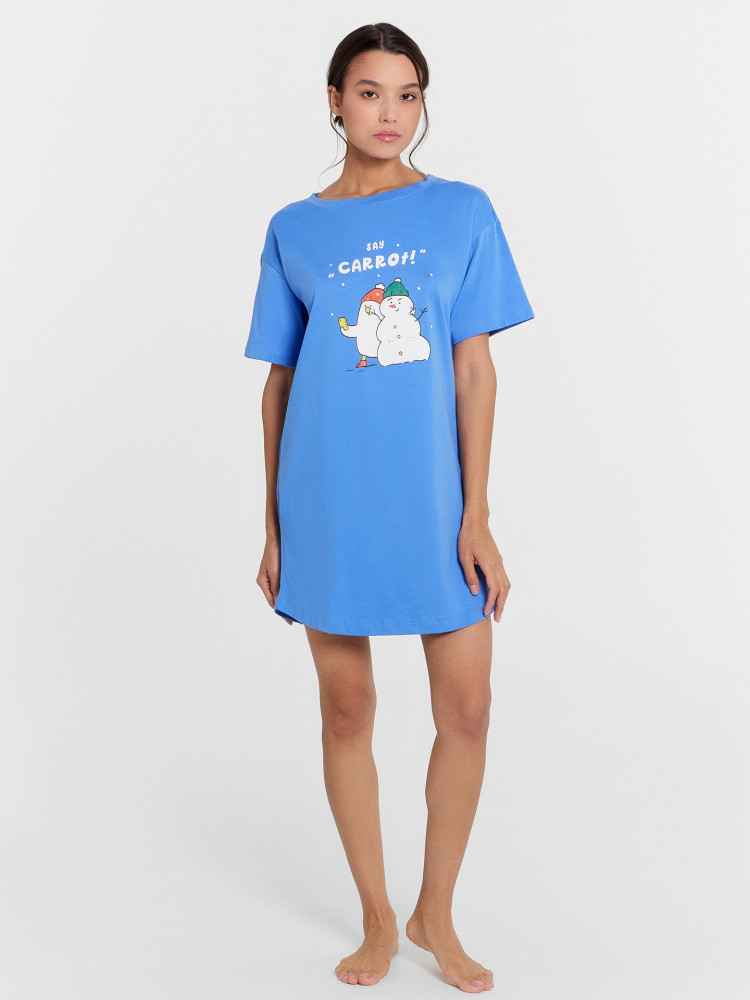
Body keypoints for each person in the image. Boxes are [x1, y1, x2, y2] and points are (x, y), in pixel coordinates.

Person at [244, 22, 534, 994]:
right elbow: (281, 384)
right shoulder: (294, 228)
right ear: (335, 101)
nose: (390, 113)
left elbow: (474, 371)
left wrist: (476, 513)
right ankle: (376, 916)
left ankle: (433, 912)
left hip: (434, 504)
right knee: (347, 708)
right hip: (326, 499)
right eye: (369, 92)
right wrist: (274, 526)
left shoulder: (462, 211)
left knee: (468, 708)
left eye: (408, 94)